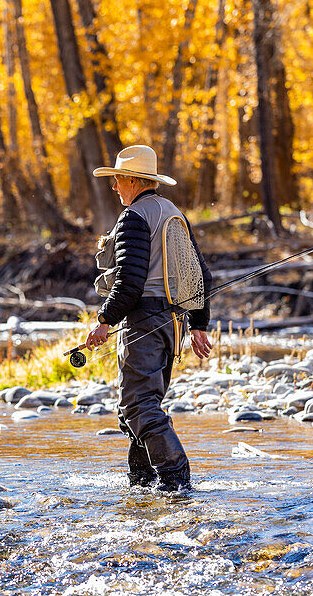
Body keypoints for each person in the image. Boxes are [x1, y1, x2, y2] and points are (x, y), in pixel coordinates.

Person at [85, 145, 213, 492]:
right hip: (172, 325)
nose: (114, 188)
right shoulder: (173, 213)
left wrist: (104, 320)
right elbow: (200, 274)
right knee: (141, 406)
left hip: (143, 321)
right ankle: (141, 484)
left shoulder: (134, 217)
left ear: (130, 179)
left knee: (138, 405)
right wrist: (199, 324)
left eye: (117, 180)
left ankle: (176, 479)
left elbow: (129, 281)